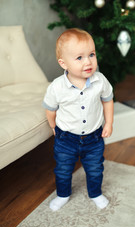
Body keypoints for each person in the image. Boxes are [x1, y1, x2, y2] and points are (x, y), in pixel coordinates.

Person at [43, 28, 114, 211]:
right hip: (66, 139)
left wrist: (109, 122)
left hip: (94, 138)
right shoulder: (57, 87)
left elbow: (108, 100)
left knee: (95, 169)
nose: (88, 61)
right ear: (63, 63)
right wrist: (53, 126)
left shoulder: (100, 81)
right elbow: (50, 109)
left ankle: (95, 193)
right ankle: (63, 194)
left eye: (91, 54)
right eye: (79, 58)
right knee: (63, 170)